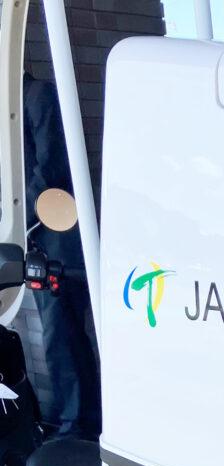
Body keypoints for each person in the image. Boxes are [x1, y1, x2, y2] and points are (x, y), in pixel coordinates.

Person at [23, 71, 101, 439]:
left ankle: (77, 426)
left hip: (59, 242)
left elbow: (51, 168)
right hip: (37, 242)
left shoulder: (38, 96)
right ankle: (81, 422)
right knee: (63, 338)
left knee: (62, 338)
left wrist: (18, 214)